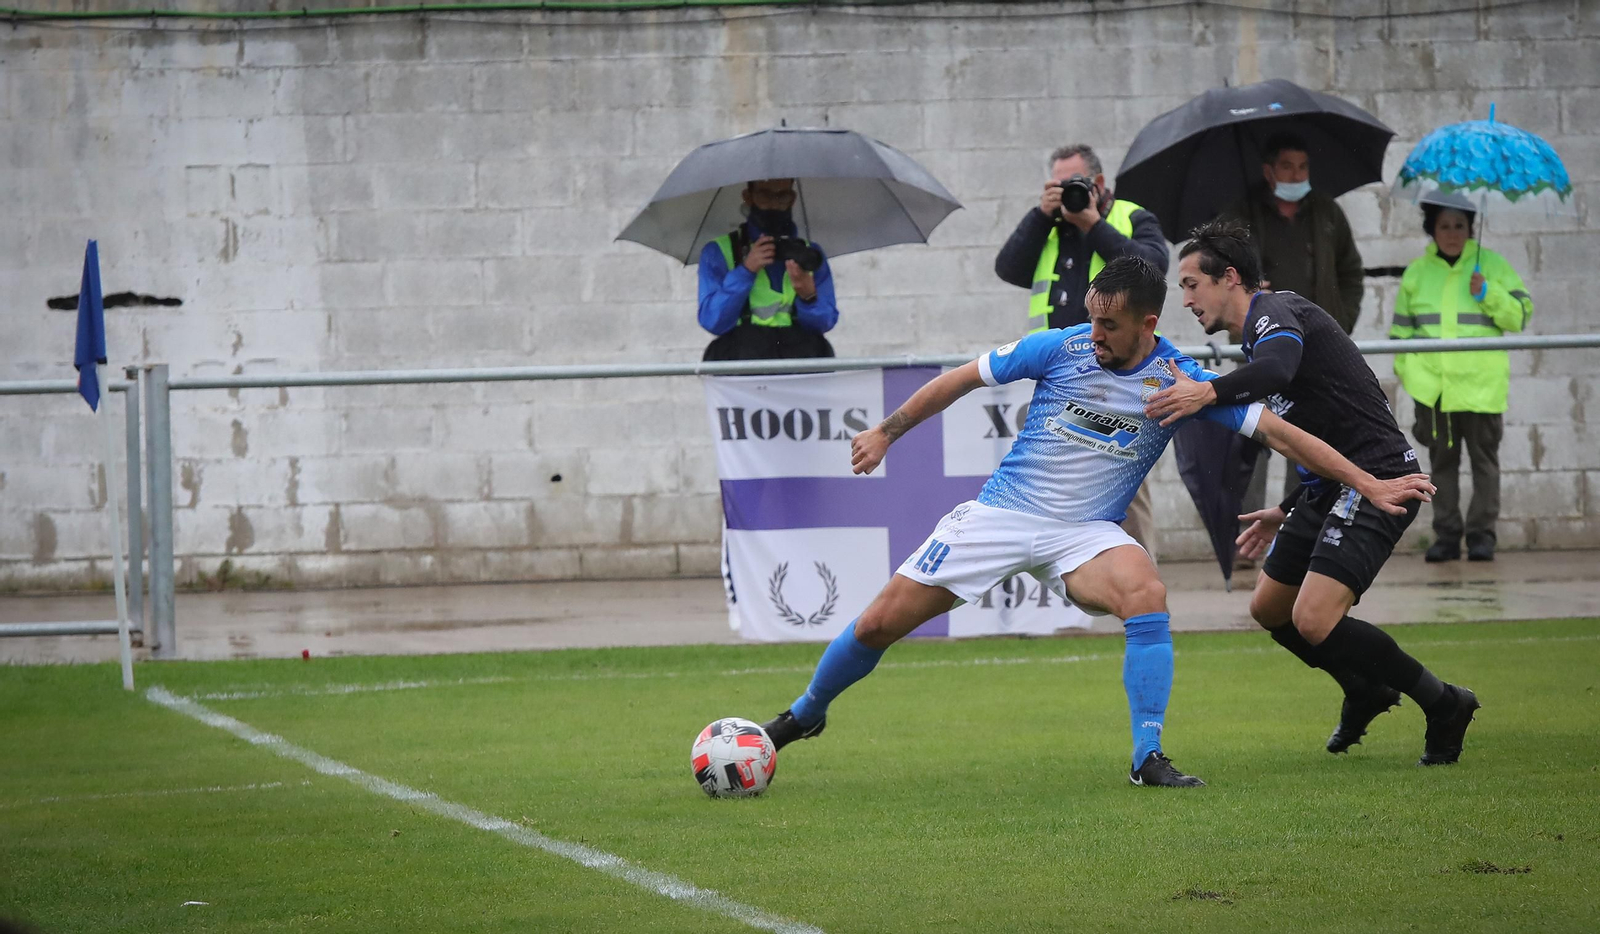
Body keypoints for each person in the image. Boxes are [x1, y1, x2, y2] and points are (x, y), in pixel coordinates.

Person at [758, 256, 1435, 788]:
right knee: (878, 623)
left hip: (1086, 535)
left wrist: (1369, 482)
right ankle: (806, 714)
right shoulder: (1059, 348)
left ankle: (1148, 756)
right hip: (1001, 514)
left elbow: (1283, 436)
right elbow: (963, 378)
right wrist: (886, 431)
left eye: (1108, 325)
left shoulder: (1178, 380)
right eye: (1091, 320)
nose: (1094, 335)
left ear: (1146, 323)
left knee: (1146, 594)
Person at [1145, 220, 1480, 766]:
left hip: (1377, 481)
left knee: (1314, 620)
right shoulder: (1259, 328)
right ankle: (1364, 688)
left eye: (1190, 284)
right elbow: (1311, 428)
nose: (1184, 299)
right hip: (1329, 487)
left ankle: (1444, 703)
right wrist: (1286, 508)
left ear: (1229, 277)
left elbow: (1277, 369)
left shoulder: (1274, 313)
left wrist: (1205, 391)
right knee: (1269, 608)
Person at [993, 143, 1169, 557]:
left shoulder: (1131, 216)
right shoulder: (1050, 226)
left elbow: (1152, 269)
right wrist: (1040, 215)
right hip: (1061, 374)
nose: (1067, 192)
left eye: (1076, 183)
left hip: (1119, 374)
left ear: (1100, 184)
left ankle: (1141, 580)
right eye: (1058, 184)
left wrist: (1093, 223)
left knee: (1123, 473)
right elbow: (1008, 267)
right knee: (1057, 473)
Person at [1227, 133, 1368, 540]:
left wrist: (1340, 324)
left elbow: (1351, 274)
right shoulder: (1242, 213)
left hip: (1314, 355)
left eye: (1303, 167)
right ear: (1269, 170)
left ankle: (1298, 530)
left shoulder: (1327, 213)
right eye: (1287, 166)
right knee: (1252, 437)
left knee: (1305, 439)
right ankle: (1244, 532)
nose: (1297, 174)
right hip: (1261, 350)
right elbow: (1221, 269)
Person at [1391, 194, 1533, 563]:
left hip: (1482, 388)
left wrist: (1487, 292)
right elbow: (1400, 336)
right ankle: (1447, 536)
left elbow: (1518, 316)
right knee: (1441, 467)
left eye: (1460, 225)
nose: (1452, 233)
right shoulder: (1417, 273)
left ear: (1471, 228)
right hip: (1434, 391)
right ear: (1432, 229)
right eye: (1444, 226)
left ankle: (1482, 536)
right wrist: (1413, 378)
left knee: (1485, 464)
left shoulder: (1493, 267)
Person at [698, 178, 839, 361]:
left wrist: (809, 296)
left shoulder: (811, 254)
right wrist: (746, 271)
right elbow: (712, 321)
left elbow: (825, 323)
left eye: (783, 196)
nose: (774, 204)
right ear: (748, 197)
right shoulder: (719, 251)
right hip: (743, 363)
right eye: (765, 194)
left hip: (800, 363)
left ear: (792, 198)